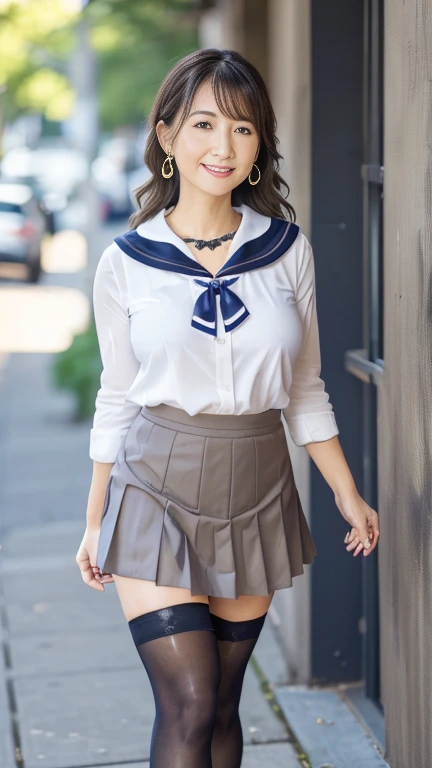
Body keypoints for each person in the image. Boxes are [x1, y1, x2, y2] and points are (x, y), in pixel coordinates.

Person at [76, 48, 380, 768]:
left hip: (256, 480)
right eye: (204, 124)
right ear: (168, 137)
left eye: (243, 130)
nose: (223, 146)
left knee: (220, 706)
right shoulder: (126, 262)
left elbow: (304, 388)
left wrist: (346, 492)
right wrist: (96, 520)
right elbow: (117, 395)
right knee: (186, 701)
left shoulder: (286, 252)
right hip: (154, 484)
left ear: (259, 146)